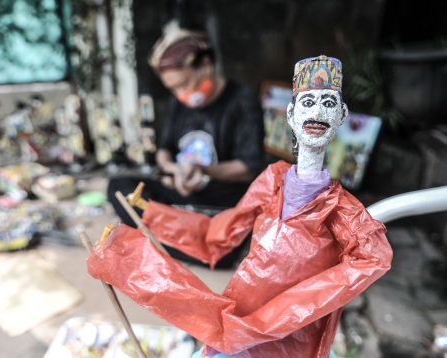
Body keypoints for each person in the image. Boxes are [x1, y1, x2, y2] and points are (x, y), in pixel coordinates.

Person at [88, 56, 393, 358]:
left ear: (341, 115)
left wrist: (274, 318)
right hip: (244, 309)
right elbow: (216, 232)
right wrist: (153, 213)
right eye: (307, 102)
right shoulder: (274, 180)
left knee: (226, 329)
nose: (316, 113)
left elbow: (371, 259)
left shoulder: (343, 212)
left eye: (327, 104)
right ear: (291, 113)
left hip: (294, 332)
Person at [107, 29, 265, 265]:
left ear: (206, 64)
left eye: (184, 84)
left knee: (233, 229)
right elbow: (164, 150)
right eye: (173, 89)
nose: (181, 94)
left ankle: (176, 242)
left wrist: (203, 170)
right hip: (182, 191)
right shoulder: (179, 104)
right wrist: (173, 170)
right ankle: (189, 242)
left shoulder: (243, 101)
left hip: (221, 197)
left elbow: (249, 167)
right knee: (119, 187)